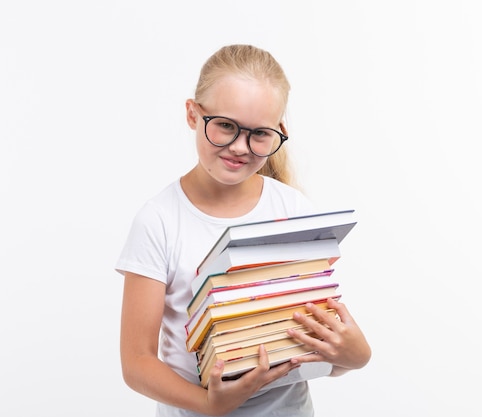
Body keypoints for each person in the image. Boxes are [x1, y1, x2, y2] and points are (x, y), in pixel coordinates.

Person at [116, 44, 371, 417]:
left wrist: (354, 356)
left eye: (260, 134)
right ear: (192, 114)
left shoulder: (292, 210)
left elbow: (311, 340)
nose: (239, 147)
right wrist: (209, 404)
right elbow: (136, 362)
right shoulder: (159, 220)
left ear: (279, 133)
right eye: (225, 126)